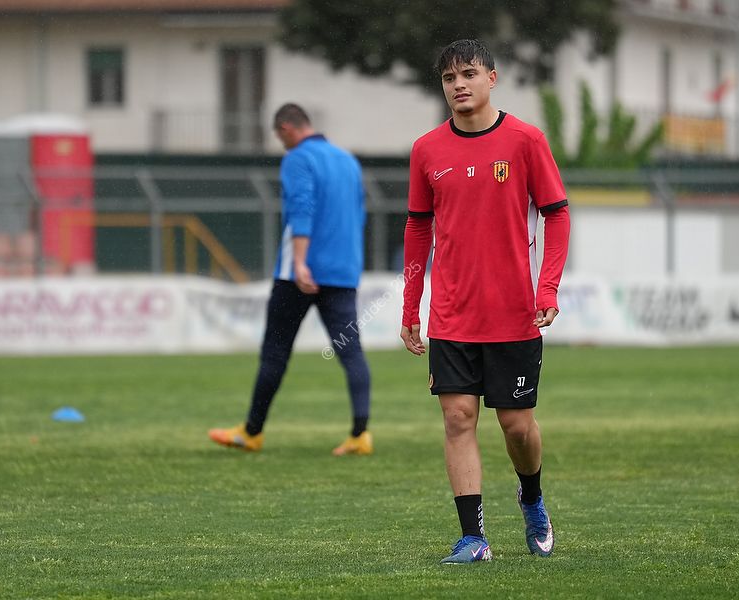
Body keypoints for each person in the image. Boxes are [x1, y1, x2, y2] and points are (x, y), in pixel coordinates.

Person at [400, 39, 570, 563]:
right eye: (449, 78)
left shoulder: (526, 140)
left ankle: (532, 498)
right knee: (457, 418)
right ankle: (473, 537)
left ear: (492, 78)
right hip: (452, 314)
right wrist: (411, 305)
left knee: (516, 426)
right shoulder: (426, 149)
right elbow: (417, 228)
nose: (459, 85)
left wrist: (547, 287)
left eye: (469, 74)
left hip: (513, 313)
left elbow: (557, 214)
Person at [209, 103, 373, 456]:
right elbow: (358, 214)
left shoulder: (297, 158)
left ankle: (252, 432)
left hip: (299, 275)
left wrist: (300, 262)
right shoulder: (347, 160)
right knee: (351, 352)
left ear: (285, 128)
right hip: (342, 272)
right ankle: (360, 434)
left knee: (275, 353)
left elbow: (302, 207)